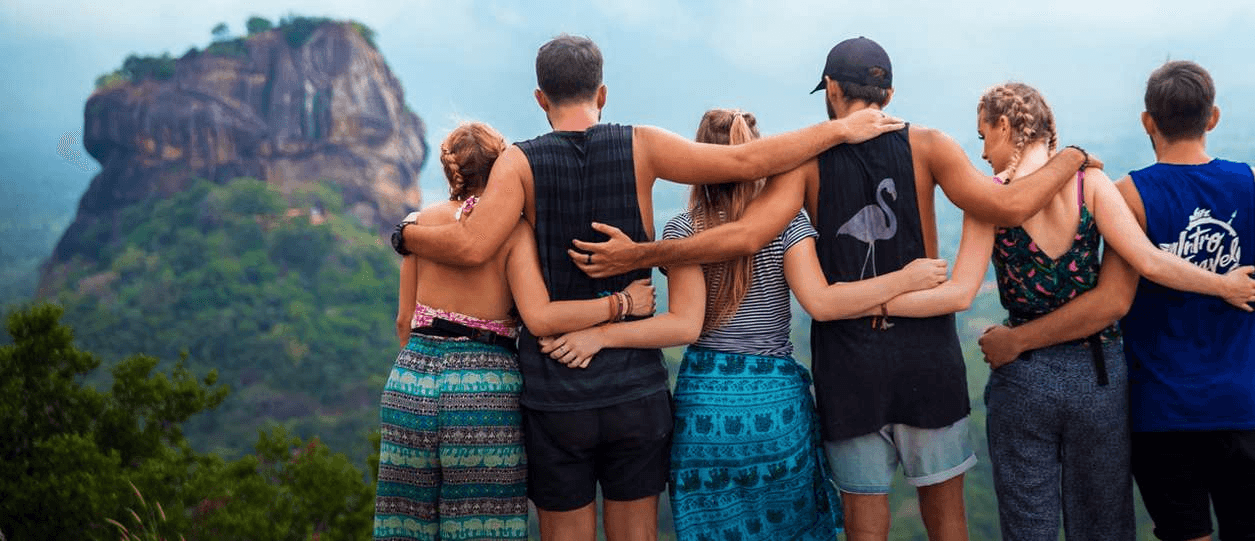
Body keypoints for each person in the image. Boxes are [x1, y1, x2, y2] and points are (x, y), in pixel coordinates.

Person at [569, 37, 1094, 541]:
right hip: (926, 355)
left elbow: (747, 235)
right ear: (888, 94)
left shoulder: (807, 161)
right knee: (947, 519)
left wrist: (647, 254)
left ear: (833, 91)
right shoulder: (932, 145)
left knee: (865, 527)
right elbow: (1004, 206)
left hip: (847, 362)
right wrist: (1069, 157)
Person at [388, 35, 902, 541]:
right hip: (635, 393)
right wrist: (839, 131)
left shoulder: (518, 163)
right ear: (603, 93)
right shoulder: (644, 145)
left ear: (540, 99)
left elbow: (474, 245)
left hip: (556, 392)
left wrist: (406, 234)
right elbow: (749, 162)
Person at [586, 109, 948, 540]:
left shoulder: (683, 229)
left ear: (701, 160)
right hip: (776, 409)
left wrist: (602, 334)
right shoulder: (788, 225)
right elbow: (824, 303)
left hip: (706, 416)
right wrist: (905, 279)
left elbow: (684, 327)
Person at [965, 83, 1255, 541]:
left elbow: (962, 290)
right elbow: (1148, 261)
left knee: (1027, 527)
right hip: (1097, 376)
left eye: (983, 135)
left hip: (1021, 376)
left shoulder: (989, 199)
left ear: (1005, 126)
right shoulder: (1092, 184)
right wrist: (1222, 285)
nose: (983, 152)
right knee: (1103, 525)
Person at [378, 121, 653, 541]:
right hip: (482, 387)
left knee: (406, 521)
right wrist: (622, 303)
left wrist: (423, 371)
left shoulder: (419, 226)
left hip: (411, 379)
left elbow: (403, 321)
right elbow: (540, 317)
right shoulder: (513, 232)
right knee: (481, 523)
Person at [1115, 60, 1255, 541]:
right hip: (1240, 406)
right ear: (1213, 118)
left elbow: (1114, 302)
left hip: (1159, 412)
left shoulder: (1128, 195)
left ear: (1148, 120)